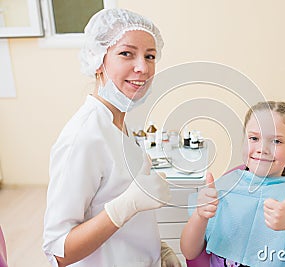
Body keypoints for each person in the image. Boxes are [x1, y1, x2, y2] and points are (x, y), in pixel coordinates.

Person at [43, 8, 182, 267]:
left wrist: (155, 250)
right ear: (98, 60)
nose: (142, 67)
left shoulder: (118, 123)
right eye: (126, 53)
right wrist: (125, 206)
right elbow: (58, 251)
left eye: (150, 56)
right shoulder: (84, 137)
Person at [180, 101, 285, 267]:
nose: (262, 148)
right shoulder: (224, 188)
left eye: (276, 141)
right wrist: (200, 216)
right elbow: (189, 252)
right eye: (254, 138)